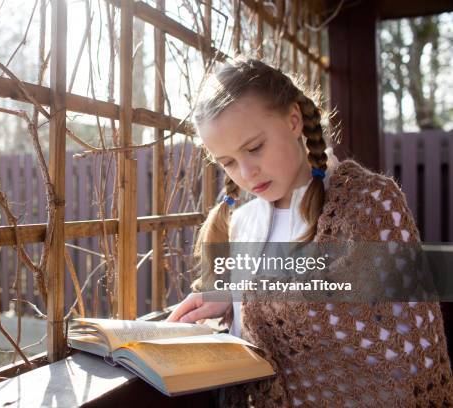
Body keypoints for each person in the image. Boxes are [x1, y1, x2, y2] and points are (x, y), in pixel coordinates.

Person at [166, 56, 453, 407]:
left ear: (293, 121)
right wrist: (229, 298)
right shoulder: (244, 224)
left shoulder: (367, 204)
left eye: (254, 148)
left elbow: (407, 345)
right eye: (226, 162)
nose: (246, 172)